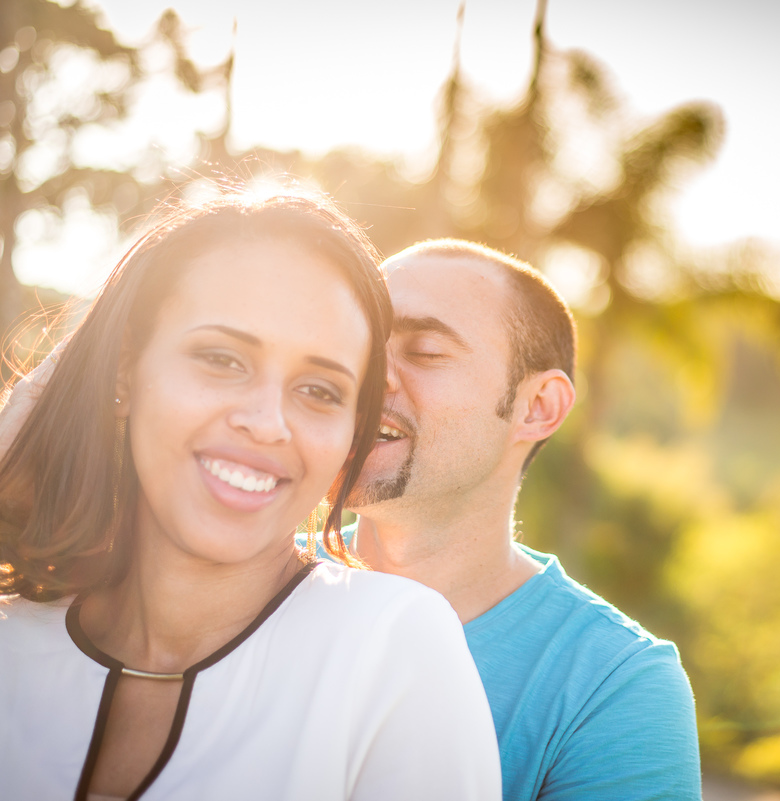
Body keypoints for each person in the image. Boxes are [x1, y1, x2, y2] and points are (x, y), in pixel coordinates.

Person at [0, 196, 501, 800]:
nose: (268, 423)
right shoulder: (12, 636)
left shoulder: (390, 647)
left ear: (351, 434)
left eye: (319, 390)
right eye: (222, 358)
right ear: (125, 370)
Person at [344, 239, 702, 801]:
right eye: (361, 344)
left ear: (537, 408)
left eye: (426, 351)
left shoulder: (613, 687)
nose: (367, 377)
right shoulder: (245, 582)